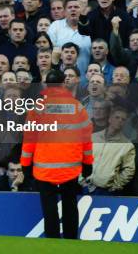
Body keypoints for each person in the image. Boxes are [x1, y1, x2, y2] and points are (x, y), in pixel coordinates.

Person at [21, 69, 93, 239]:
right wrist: (88, 163)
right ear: (63, 83)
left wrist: (25, 165)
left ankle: (52, 241)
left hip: (44, 166)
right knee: (70, 205)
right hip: (71, 166)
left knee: (49, 206)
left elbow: (29, 139)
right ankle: (70, 240)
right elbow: (86, 139)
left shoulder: (38, 109)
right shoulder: (77, 107)